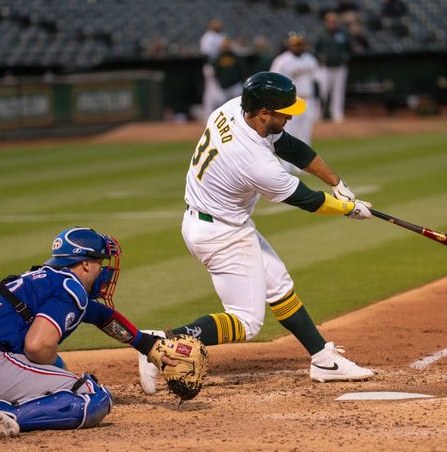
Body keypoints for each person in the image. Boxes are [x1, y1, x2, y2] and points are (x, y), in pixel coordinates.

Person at [137, 71, 376, 395]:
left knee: (278, 284)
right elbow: (306, 200)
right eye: (284, 113)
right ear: (264, 113)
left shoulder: (234, 109)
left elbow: (291, 147)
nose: (290, 117)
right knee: (246, 322)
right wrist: (349, 209)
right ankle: (158, 343)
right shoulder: (253, 161)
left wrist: (338, 184)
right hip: (222, 234)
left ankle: (323, 359)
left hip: (214, 221)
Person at [0, 227, 172, 438]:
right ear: (86, 264)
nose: (105, 271)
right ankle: (0, 413)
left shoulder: (39, 279)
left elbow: (102, 316)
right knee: (91, 394)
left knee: (51, 371)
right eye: (101, 262)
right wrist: (53, 366)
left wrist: (148, 345)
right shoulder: (71, 287)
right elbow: (37, 346)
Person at [270, 32, 320, 154]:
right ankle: (286, 167)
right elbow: (273, 81)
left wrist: (318, 101)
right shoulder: (281, 61)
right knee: (288, 133)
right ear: (289, 45)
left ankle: (303, 166)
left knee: (306, 133)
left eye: (300, 44)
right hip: (289, 102)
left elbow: (316, 81)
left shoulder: (310, 59)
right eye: (295, 44)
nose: (297, 47)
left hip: (308, 100)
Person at [314, 12, 353, 123]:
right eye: (330, 22)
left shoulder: (343, 34)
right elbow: (316, 50)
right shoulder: (322, 35)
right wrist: (321, 58)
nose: (332, 24)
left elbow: (350, 48)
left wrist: (345, 56)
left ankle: (337, 114)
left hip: (340, 67)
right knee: (322, 91)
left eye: (334, 22)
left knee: (338, 92)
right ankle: (318, 113)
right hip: (325, 68)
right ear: (326, 22)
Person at [199, 18, 226, 120]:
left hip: (220, 66)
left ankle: (209, 116)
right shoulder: (208, 37)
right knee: (215, 92)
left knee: (210, 92)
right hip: (211, 66)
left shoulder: (221, 35)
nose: (218, 26)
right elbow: (206, 53)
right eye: (216, 25)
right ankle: (213, 116)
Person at [212, 38, 246, 103]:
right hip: (224, 88)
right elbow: (215, 72)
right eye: (224, 46)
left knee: (238, 103)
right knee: (222, 105)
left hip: (235, 85)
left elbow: (242, 68)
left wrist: (239, 79)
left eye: (227, 46)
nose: (226, 48)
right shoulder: (218, 58)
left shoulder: (235, 56)